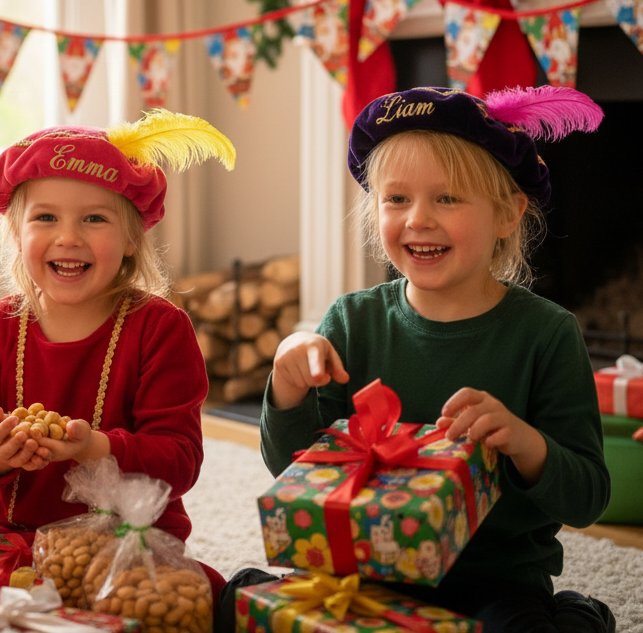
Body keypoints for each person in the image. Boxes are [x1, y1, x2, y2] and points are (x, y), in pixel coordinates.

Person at [219, 86, 615, 633]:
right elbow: (297, 473)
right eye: (396, 199)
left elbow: (588, 497)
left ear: (507, 214)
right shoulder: (351, 322)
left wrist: (524, 441)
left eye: (447, 199)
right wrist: (286, 388)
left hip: (492, 581)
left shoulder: (547, 334)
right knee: (244, 607)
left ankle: (577, 615)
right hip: (362, 570)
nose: (418, 220)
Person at [0, 109, 237, 607]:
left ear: (129, 239)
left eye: (94, 218)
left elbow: (180, 462)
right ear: (17, 233)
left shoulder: (160, 328)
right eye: (45, 217)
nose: (68, 237)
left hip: (117, 550)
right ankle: (42, 609)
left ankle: (32, 612)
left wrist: (94, 446)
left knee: (205, 595)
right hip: (7, 545)